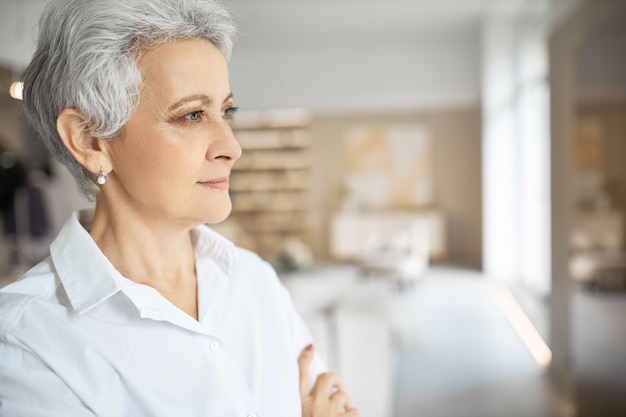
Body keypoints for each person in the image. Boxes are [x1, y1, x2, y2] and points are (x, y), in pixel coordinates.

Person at [0, 1, 359, 416]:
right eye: (191, 115)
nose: (232, 147)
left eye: (226, 112)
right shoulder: (25, 341)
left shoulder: (254, 280)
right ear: (90, 140)